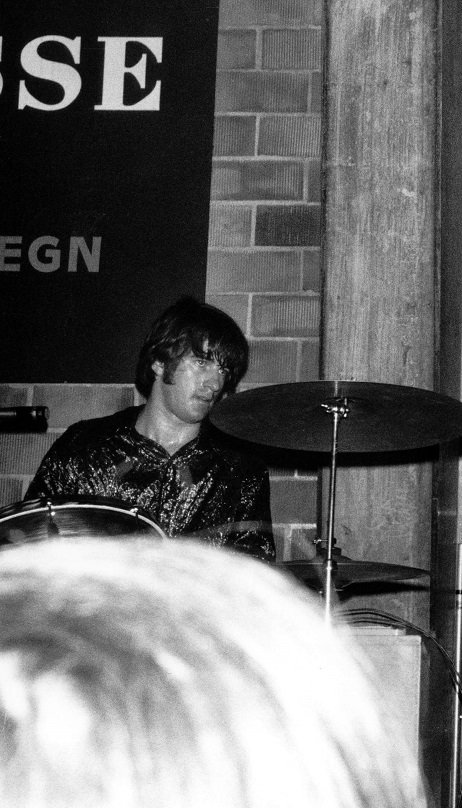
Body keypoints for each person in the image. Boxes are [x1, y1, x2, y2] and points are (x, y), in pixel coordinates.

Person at [0, 537, 425, 808]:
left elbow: (254, 564)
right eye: (203, 382)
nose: (213, 387)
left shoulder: (234, 466)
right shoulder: (86, 447)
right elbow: (34, 536)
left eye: (224, 384)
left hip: (201, 653)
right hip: (86, 640)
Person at [23, 296, 274, 560]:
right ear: (159, 362)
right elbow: (29, 546)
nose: (214, 383)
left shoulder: (239, 470)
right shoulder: (84, 447)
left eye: (223, 370)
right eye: (201, 362)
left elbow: (255, 575)